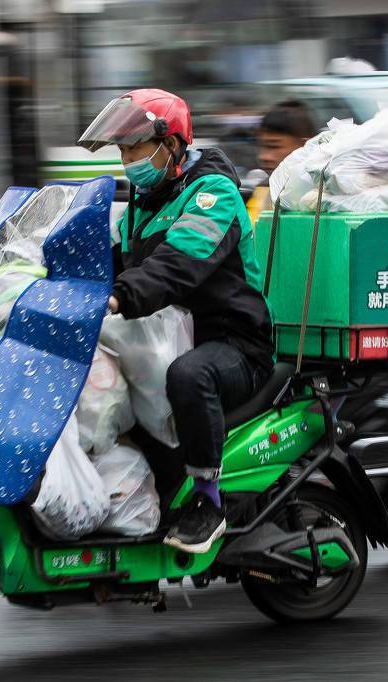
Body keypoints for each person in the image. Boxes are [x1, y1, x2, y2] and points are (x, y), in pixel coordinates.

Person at [78, 89, 273, 554]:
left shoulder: (214, 194)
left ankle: (209, 503)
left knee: (187, 376)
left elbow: (178, 263)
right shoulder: (141, 204)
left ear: (173, 145)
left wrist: (120, 297)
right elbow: (105, 262)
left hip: (232, 344)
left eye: (135, 148)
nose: (127, 160)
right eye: (122, 150)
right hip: (165, 339)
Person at [246, 100, 317, 223]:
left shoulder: (321, 195)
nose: (264, 157)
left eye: (274, 146)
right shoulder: (264, 190)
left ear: (304, 146)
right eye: (262, 146)